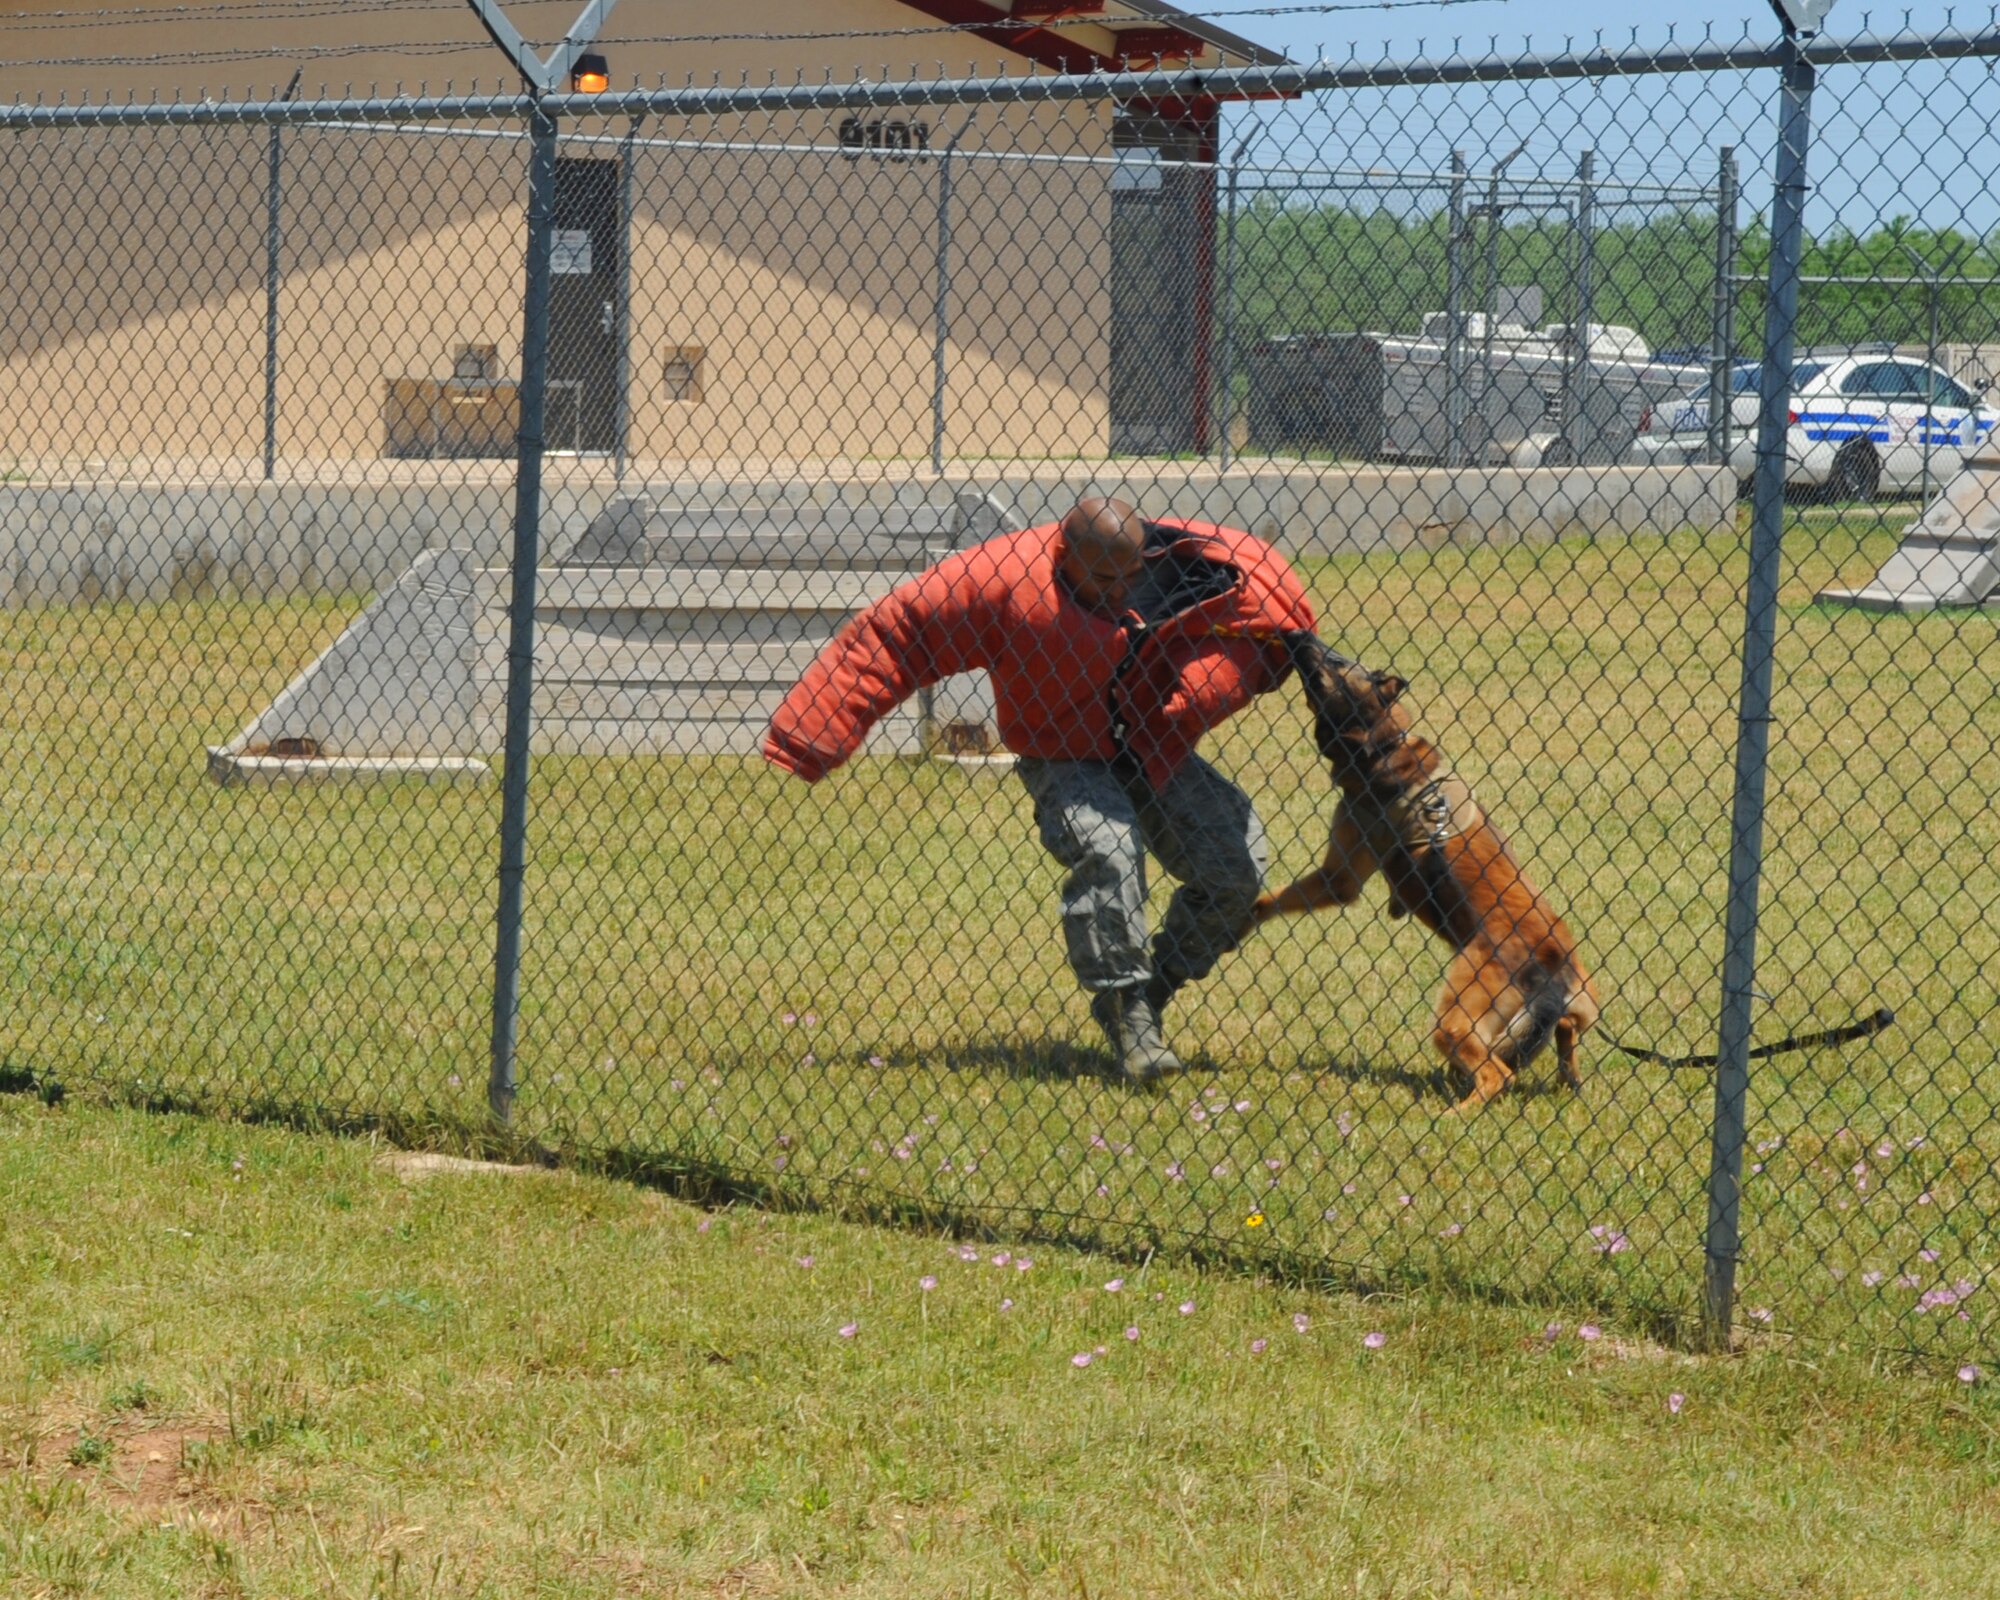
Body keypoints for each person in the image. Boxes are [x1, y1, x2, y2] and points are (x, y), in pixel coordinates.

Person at [762, 496, 1316, 1084]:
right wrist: (812, 733)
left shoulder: (1192, 566)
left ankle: (1155, 988)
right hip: (1063, 752)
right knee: (1108, 852)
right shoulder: (1004, 578)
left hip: (1155, 745)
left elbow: (1271, 611)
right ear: (1065, 554)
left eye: (1133, 577)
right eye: (1104, 579)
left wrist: (1233, 677)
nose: (1121, 594)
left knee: (1236, 871)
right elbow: (899, 632)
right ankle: (1129, 1017)